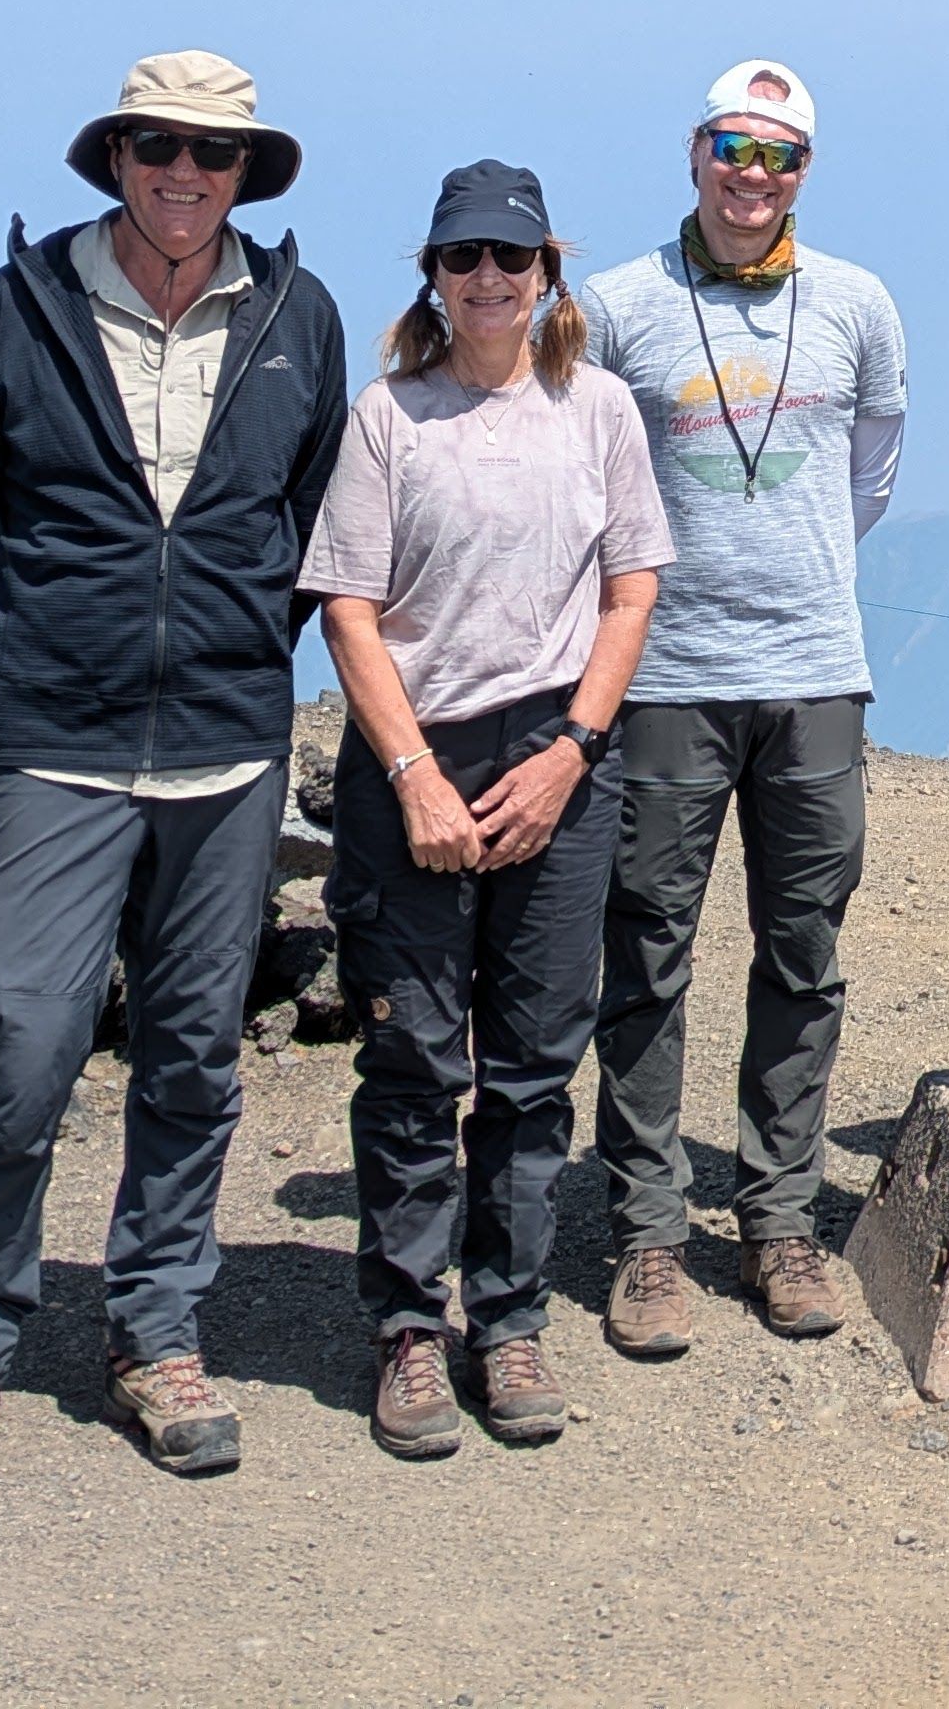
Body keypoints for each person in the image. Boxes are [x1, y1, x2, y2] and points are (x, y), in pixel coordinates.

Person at [0, 54, 351, 1518]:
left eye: (213, 154)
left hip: (227, 744)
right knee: (20, 1039)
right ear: (116, 158)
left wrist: (221, 655)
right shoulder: (12, 313)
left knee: (196, 1054)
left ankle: (157, 1330)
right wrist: (37, 671)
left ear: (243, 174)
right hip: (53, 747)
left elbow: (310, 518)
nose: (183, 173)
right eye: (157, 145)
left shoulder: (299, 317)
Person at [305, 162, 671, 1460]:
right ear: (432, 272)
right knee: (413, 1053)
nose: (488, 281)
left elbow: (631, 593)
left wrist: (575, 748)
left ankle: (504, 1315)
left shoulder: (602, 411)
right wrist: (410, 774)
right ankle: (410, 1326)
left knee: (531, 1058)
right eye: (463, 257)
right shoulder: (387, 417)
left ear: (548, 272)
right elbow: (347, 607)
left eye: (510, 259)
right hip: (419, 748)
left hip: (558, 754)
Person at [579, 60, 909, 1361]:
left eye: (778, 156)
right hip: (664, 676)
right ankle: (649, 1234)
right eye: (733, 148)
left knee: (803, 953)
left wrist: (797, 562)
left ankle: (780, 1217)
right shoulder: (616, 307)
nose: (752, 176)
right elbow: (586, 472)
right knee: (647, 950)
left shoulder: (860, 306)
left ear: (805, 172)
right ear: (695, 152)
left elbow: (872, 469)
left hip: (816, 668)